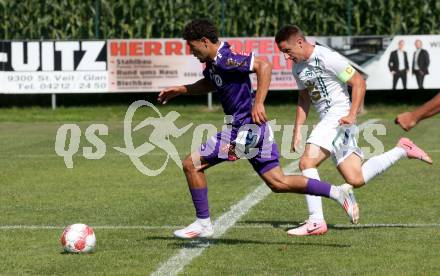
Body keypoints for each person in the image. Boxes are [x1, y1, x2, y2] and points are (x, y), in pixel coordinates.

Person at [158, 19, 359, 239]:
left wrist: (258, 103)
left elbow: (264, 65)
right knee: (278, 182)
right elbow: (210, 83)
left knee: (192, 164)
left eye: (192, 46)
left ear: (204, 42)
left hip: (245, 134)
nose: (192, 52)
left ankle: (203, 223)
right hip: (256, 133)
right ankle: (338, 192)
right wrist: (181, 89)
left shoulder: (226, 58)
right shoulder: (216, 63)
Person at [275, 25, 432, 236]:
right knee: (355, 178)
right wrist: (297, 131)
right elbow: (304, 99)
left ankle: (316, 221)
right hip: (332, 121)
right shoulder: (297, 67)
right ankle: (402, 149)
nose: (286, 57)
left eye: (287, 51)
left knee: (306, 162)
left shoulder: (327, 57)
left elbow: (358, 82)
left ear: (300, 42)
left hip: (338, 115)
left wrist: (351, 114)